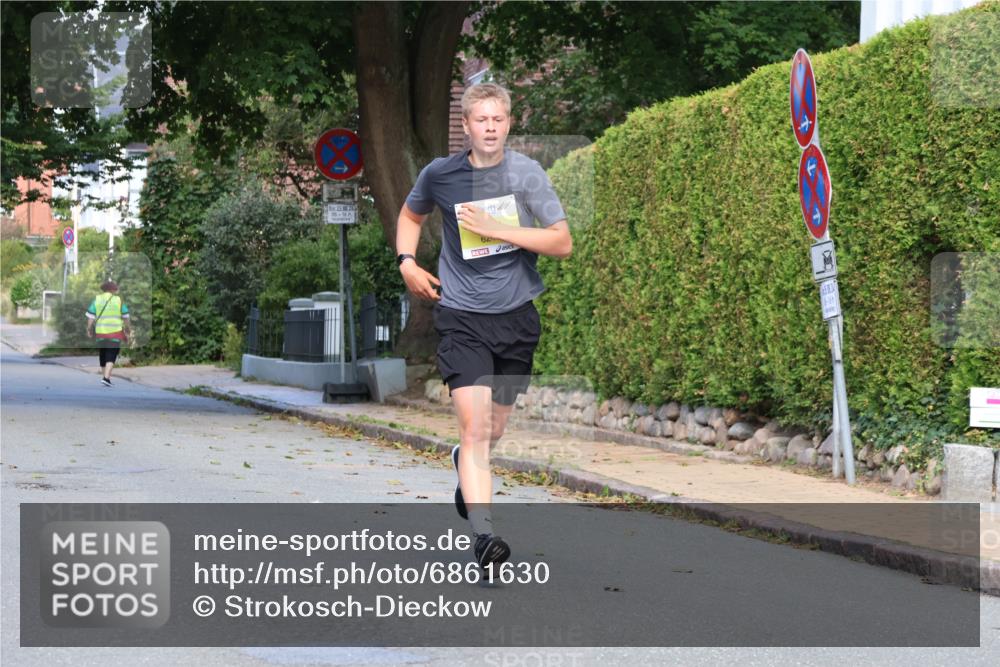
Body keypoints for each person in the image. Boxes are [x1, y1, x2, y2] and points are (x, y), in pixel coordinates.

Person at [396, 83, 572, 570]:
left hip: (516, 318)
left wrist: (500, 230)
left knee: (492, 431)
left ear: (508, 124)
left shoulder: (526, 174)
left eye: (498, 119)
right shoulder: (441, 174)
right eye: (481, 120)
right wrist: (407, 261)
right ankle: (484, 537)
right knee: (475, 430)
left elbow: (561, 242)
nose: (490, 128)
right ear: (467, 126)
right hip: (462, 318)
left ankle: (463, 464)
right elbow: (410, 214)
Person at [86, 280, 130, 387]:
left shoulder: (97, 299)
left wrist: (89, 329)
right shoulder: (118, 300)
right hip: (115, 332)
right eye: (115, 288)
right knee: (112, 354)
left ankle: (105, 377)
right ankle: (106, 378)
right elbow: (126, 316)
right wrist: (128, 328)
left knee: (103, 353)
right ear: (112, 289)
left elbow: (91, 316)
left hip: (100, 332)